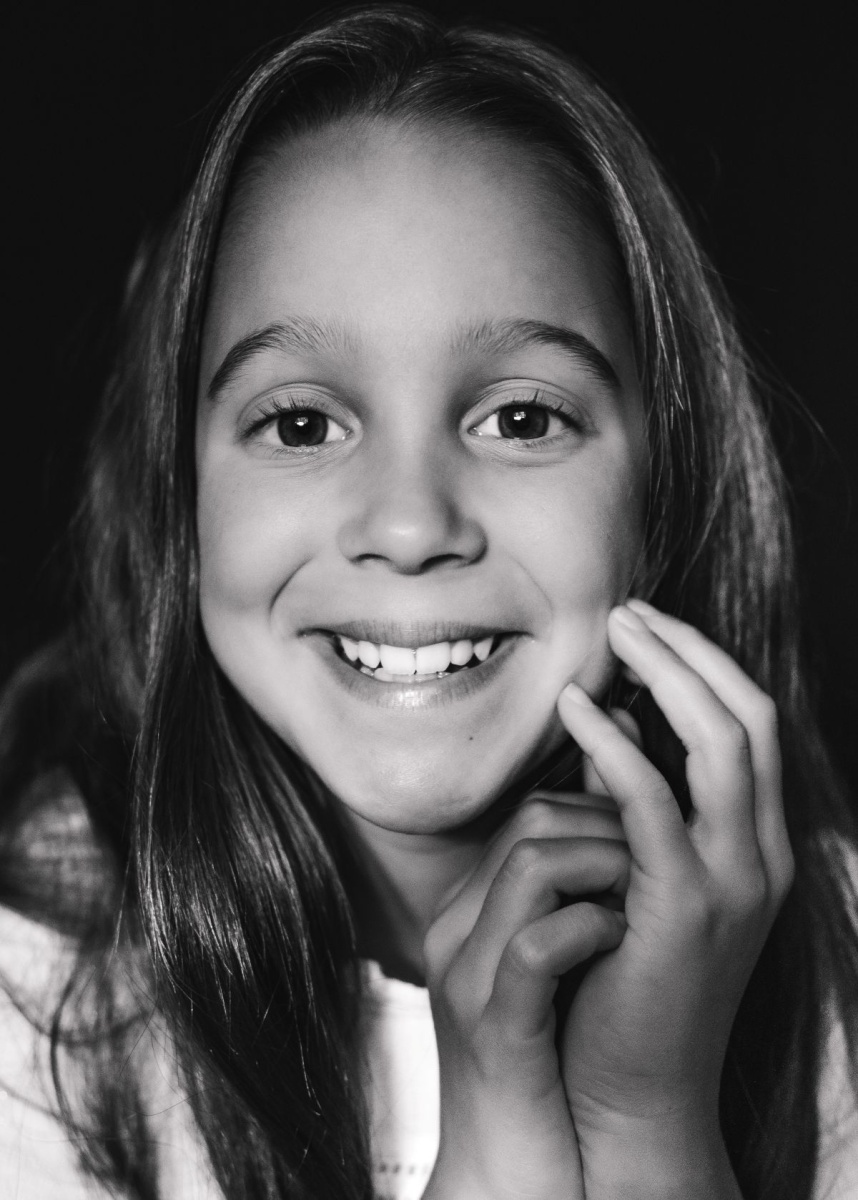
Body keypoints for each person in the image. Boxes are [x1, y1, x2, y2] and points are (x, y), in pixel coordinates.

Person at [1, 6, 856, 1199]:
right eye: (302, 424)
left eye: (522, 418)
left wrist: (649, 1116)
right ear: (180, 487)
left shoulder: (835, 969)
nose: (409, 528)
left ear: (666, 483)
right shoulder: (31, 1006)